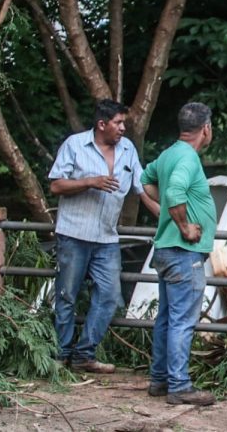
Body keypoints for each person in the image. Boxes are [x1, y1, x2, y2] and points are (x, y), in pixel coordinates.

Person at [48, 99, 160, 373]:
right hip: (73, 234)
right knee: (66, 295)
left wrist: (167, 215)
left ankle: (84, 353)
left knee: (109, 296)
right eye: (118, 123)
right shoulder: (75, 145)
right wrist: (90, 181)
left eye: (124, 123)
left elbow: (141, 188)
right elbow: (56, 185)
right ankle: (60, 355)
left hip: (107, 238)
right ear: (101, 124)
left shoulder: (128, 150)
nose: (123, 128)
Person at [141, 102, 216, 406]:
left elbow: (146, 182)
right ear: (206, 129)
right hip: (184, 252)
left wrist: (169, 216)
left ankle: (160, 379)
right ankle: (180, 385)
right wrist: (184, 225)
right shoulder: (187, 159)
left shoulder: (169, 154)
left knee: (168, 319)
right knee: (183, 321)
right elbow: (173, 192)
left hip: (166, 251)